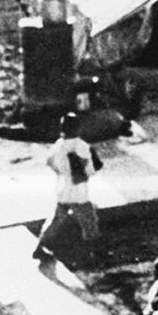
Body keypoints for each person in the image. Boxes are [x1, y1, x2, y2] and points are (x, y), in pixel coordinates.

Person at [33, 112, 102, 262]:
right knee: (89, 220)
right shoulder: (82, 146)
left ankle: (40, 246)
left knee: (56, 219)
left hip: (63, 188)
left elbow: (49, 161)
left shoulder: (58, 144)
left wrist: (60, 172)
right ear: (78, 128)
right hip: (79, 191)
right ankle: (92, 252)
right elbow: (89, 170)